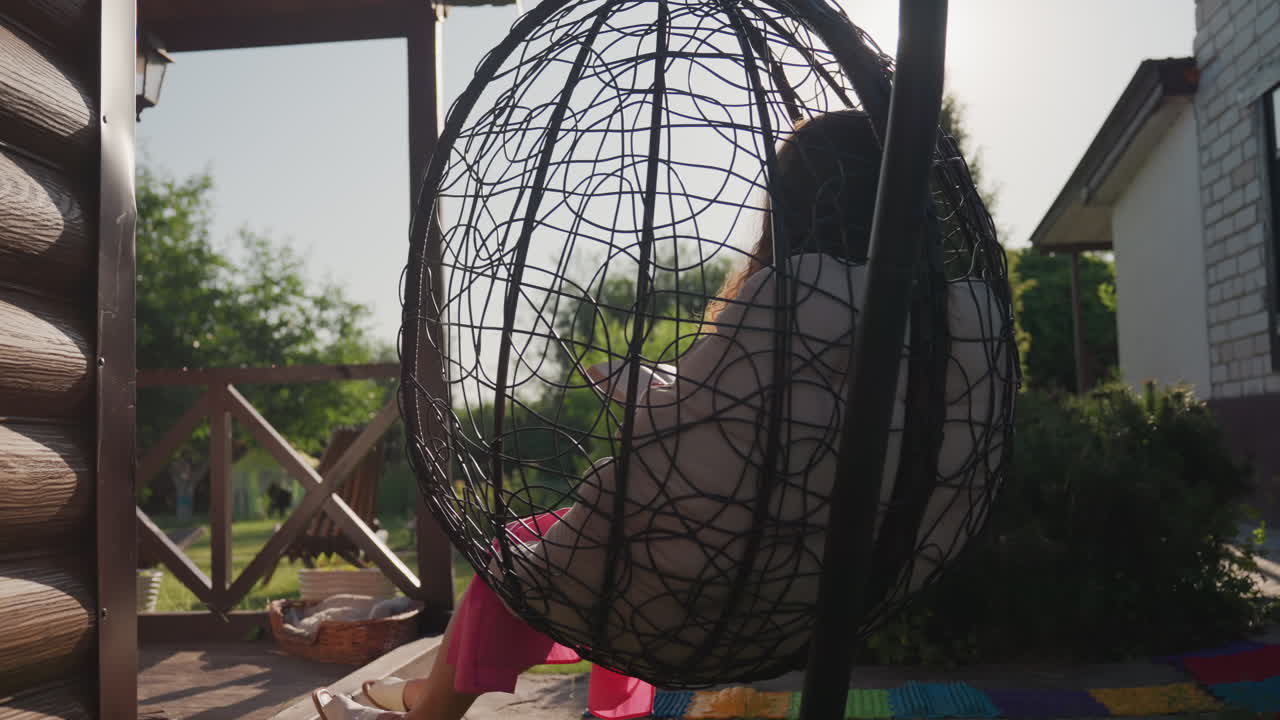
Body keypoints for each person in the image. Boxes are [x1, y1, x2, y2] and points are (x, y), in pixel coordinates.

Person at [312, 109, 1007, 719]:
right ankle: (416, 701)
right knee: (534, 544)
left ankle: (423, 714)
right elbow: (748, 421)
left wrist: (647, 392)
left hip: (716, 572)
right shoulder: (961, 326)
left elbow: (679, 443)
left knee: (511, 567)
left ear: (798, 206)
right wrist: (661, 389)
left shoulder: (784, 300)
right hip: (843, 573)